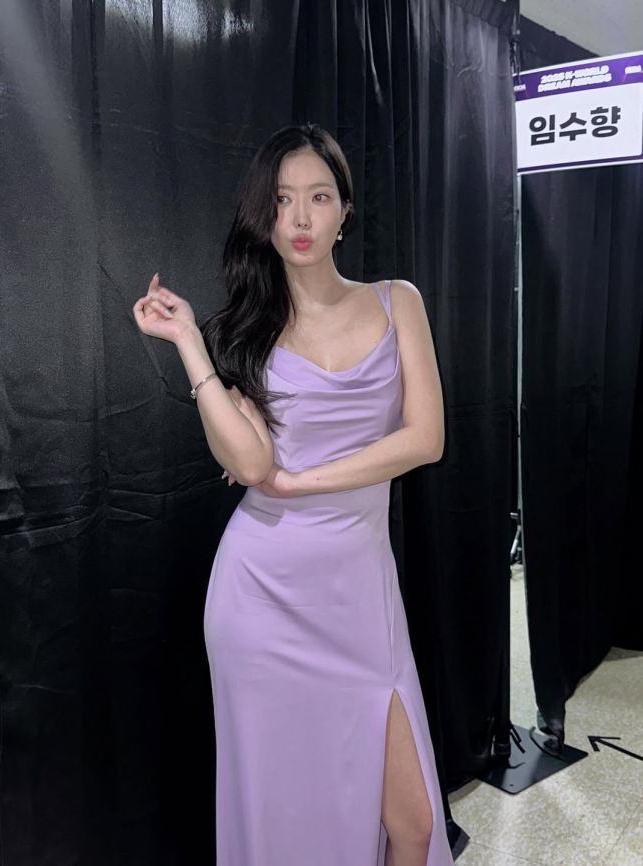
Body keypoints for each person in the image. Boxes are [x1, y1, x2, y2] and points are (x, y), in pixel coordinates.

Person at [132, 122, 452, 866]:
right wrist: (190, 344)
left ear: (345, 210)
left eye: (318, 197)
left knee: (412, 823)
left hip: (359, 592)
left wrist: (302, 480)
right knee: (283, 815)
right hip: (263, 594)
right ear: (264, 216)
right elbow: (250, 465)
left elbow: (425, 439)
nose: (300, 218)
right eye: (281, 200)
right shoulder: (246, 331)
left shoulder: (397, 302)